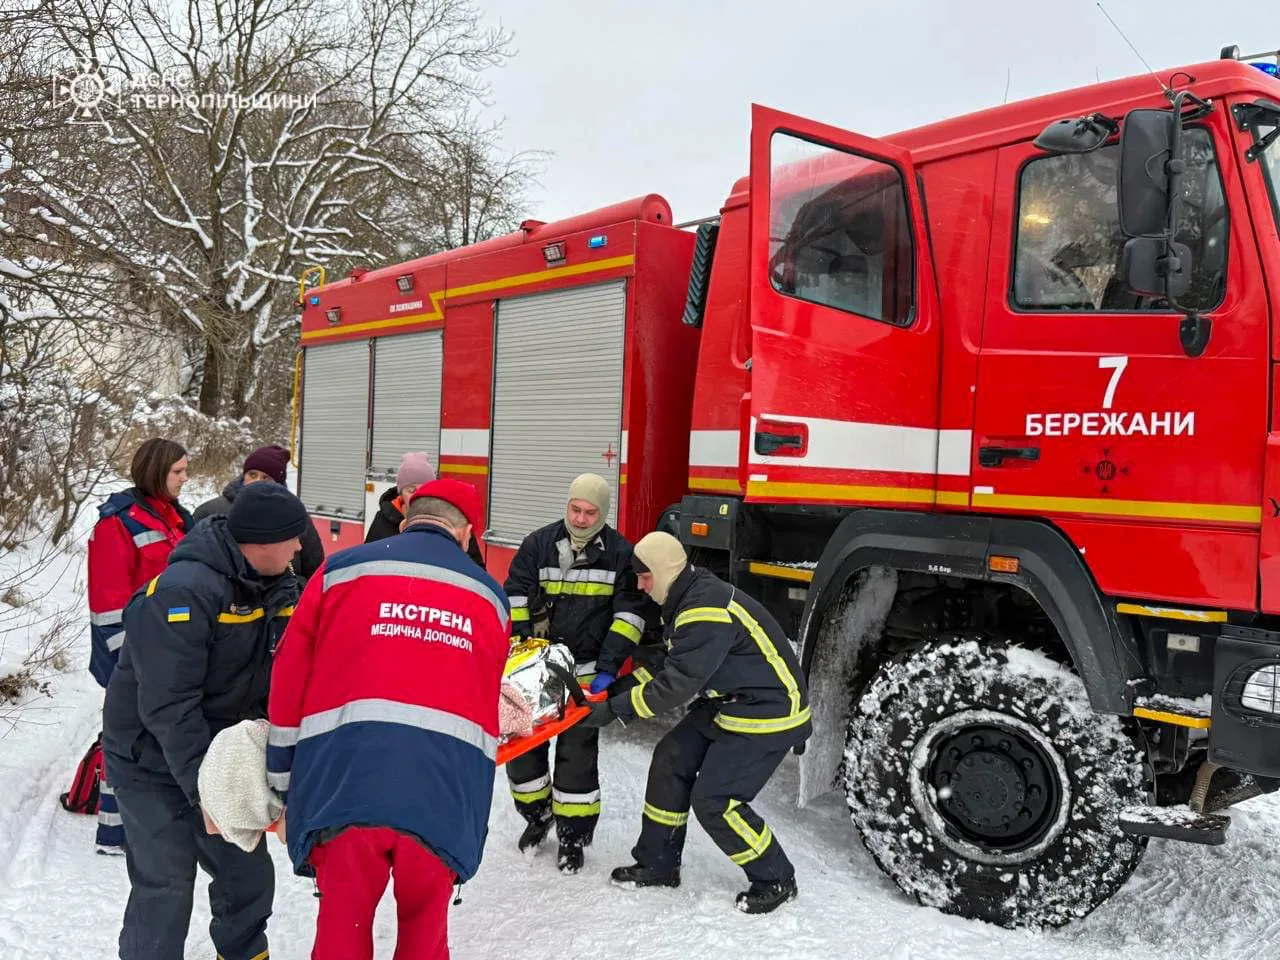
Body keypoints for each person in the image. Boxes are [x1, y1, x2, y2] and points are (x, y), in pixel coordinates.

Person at [267, 479, 510, 960]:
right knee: (424, 935)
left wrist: (280, 778)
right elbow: (484, 703)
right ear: (466, 535)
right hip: (439, 797)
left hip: (346, 787)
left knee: (342, 927)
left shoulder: (339, 572)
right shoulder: (489, 598)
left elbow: (289, 675)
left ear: (404, 521)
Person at [102, 482, 308, 960]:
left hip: (218, 750)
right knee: (166, 886)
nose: (300, 546)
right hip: (148, 758)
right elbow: (168, 708)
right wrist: (207, 794)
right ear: (261, 542)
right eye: (293, 537)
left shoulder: (280, 585)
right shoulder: (181, 593)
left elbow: (287, 676)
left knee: (248, 879)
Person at [581, 531, 811, 915]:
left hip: (769, 710)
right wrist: (617, 690)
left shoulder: (704, 610)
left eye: (644, 575)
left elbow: (675, 685)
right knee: (672, 755)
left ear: (663, 570)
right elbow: (670, 662)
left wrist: (619, 710)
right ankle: (659, 863)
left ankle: (776, 877)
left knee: (716, 801)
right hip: (733, 699)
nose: (640, 584)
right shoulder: (688, 595)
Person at [503, 473, 653, 873]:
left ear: (602, 514)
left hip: (586, 675)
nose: (582, 518)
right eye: (575, 509)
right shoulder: (538, 544)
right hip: (535, 673)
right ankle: (538, 818)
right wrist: (522, 649)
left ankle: (572, 838)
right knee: (523, 751)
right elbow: (515, 595)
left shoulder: (621, 554)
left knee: (577, 758)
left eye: (590, 512)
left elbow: (629, 616)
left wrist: (608, 668)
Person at [87, 436, 192, 854]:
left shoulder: (174, 518)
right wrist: (123, 663)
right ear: (156, 471)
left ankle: (150, 822)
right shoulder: (117, 524)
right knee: (127, 738)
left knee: (159, 737)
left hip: (167, 649)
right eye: (178, 472)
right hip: (132, 654)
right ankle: (115, 832)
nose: (185, 479)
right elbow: (108, 604)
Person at [193, 443, 325, 583]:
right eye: (252, 474)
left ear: (278, 483)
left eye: (266, 477)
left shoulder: (295, 516)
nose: (256, 482)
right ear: (244, 476)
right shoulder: (210, 512)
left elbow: (315, 571)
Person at [366, 450, 486, 569]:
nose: (417, 495)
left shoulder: (453, 519)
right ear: (400, 493)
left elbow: (477, 568)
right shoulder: (383, 521)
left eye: (425, 489)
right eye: (411, 490)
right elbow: (367, 563)